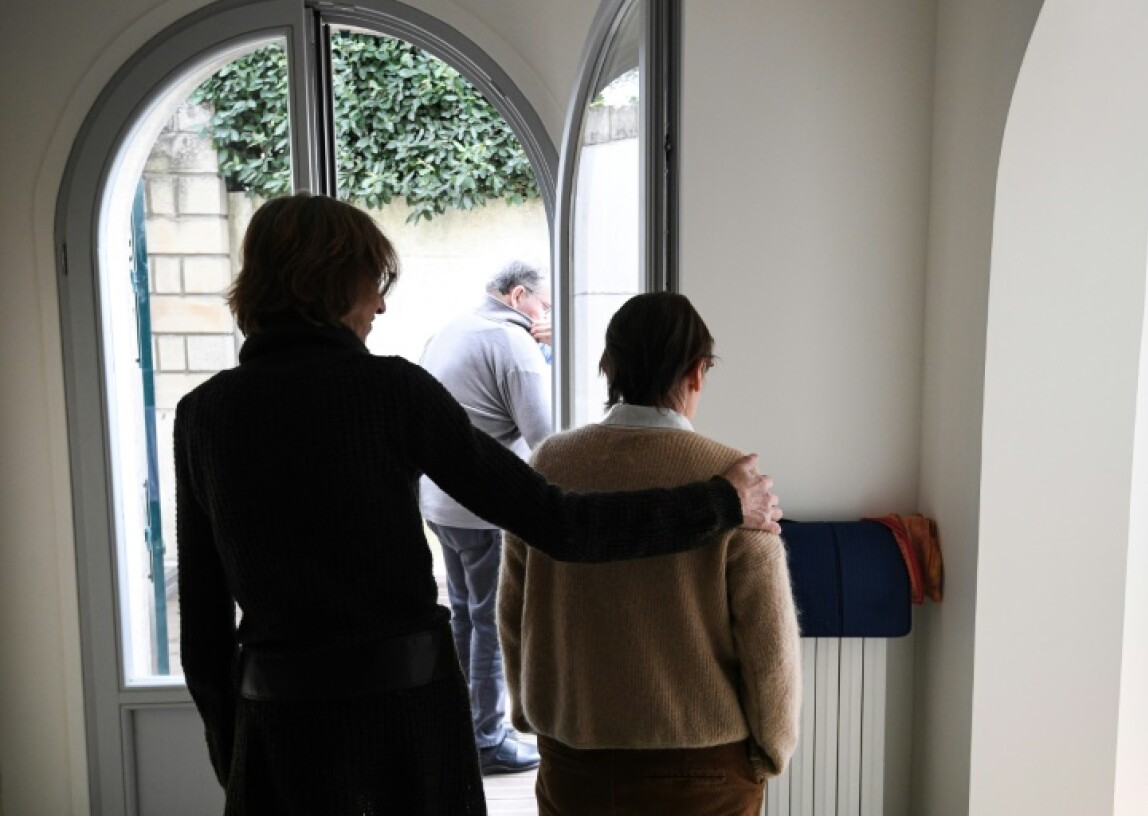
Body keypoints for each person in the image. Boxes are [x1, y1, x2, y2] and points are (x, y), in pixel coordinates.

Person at [173, 194, 782, 816]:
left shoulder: (202, 415)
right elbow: (560, 524)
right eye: (371, 283)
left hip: (278, 729)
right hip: (406, 728)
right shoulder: (392, 392)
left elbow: (203, 621)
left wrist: (235, 753)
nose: (380, 304)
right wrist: (719, 502)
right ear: (329, 281)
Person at [499, 292, 802, 816]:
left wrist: (530, 712)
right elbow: (767, 641)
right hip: (703, 765)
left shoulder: (549, 463)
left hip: (574, 753)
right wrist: (773, 748)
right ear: (697, 372)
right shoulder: (733, 481)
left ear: (608, 367)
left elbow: (513, 609)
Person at [417, 260, 553, 773]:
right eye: (542, 303)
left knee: (466, 617)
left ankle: (462, 727)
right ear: (519, 296)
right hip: (485, 510)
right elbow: (545, 439)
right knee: (493, 623)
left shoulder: (452, 330)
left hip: (441, 503)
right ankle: (488, 740)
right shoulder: (513, 346)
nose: (544, 314)